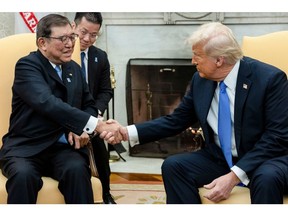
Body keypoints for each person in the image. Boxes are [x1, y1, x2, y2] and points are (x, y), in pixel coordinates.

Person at [102, 22, 288, 204]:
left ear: (219, 60)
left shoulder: (270, 79)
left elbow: (276, 138)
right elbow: (176, 120)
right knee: (174, 166)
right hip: (221, 158)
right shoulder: (201, 80)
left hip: (265, 159)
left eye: (197, 55)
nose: (192, 61)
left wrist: (233, 176)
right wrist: (126, 132)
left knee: (267, 178)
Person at [0, 13, 120, 204]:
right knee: (24, 176)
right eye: (62, 39)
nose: (70, 44)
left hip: (62, 149)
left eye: (72, 37)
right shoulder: (27, 66)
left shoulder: (73, 68)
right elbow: (47, 103)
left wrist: (82, 129)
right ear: (42, 43)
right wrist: (95, 125)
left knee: (77, 171)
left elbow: (88, 105)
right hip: (26, 147)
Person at [72, 12, 116, 204]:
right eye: (83, 33)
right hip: (68, 116)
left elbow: (106, 91)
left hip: (92, 116)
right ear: (73, 27)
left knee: (101, 149)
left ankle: (105, 194)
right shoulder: (62, 52)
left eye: (94, 35)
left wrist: (95, 113)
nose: (88, 39)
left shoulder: (100, 57)